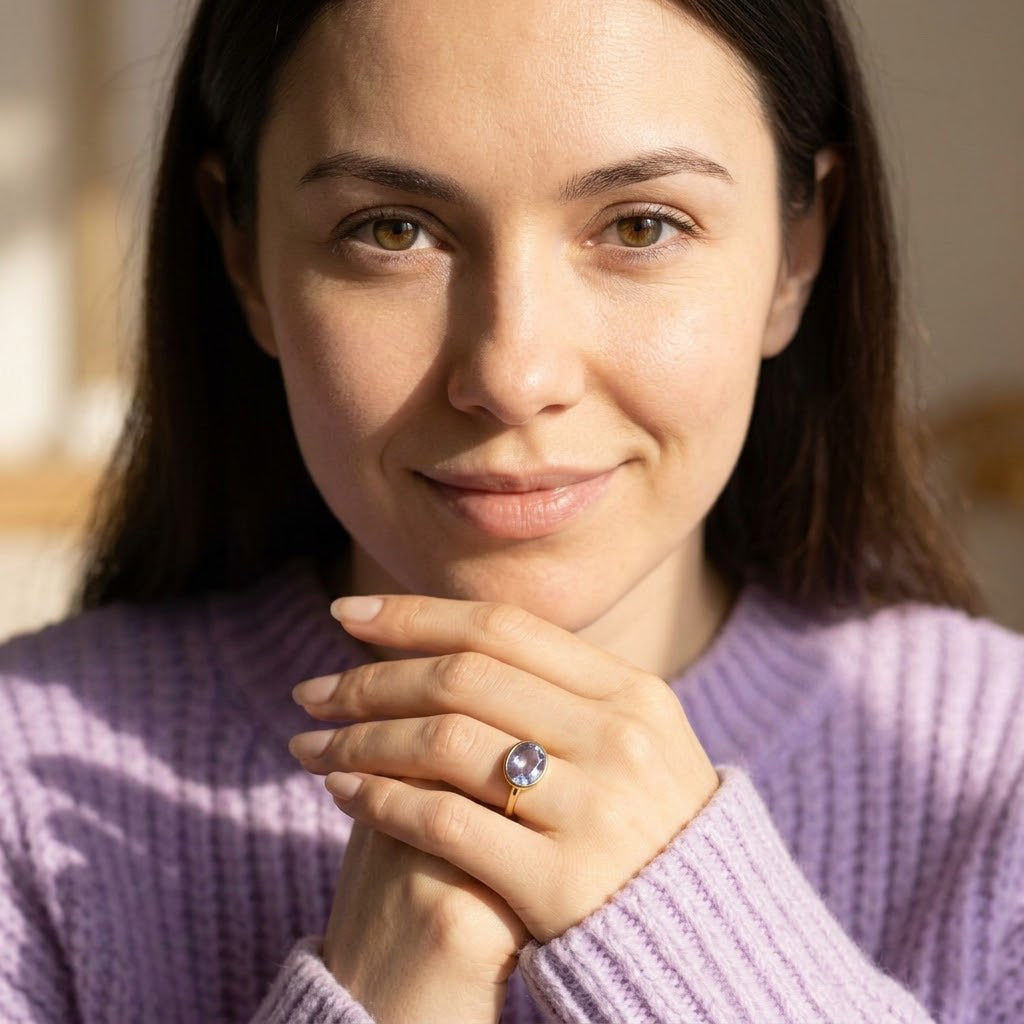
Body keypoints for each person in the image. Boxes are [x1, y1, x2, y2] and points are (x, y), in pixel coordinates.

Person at [1, 0, 1021, 1020]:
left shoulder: (995, 764)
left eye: (639, 225)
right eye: (391, 230)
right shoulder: (22, 781)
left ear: (797, 249)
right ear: (243, 252)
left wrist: (684, 930)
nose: (512, 371)